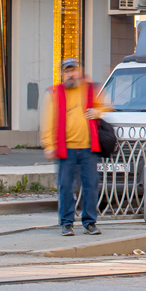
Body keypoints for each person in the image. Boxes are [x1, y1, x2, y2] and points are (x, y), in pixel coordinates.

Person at [41, 59, 112, 236]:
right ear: (63, 74)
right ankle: (66, 222)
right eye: (67, 71)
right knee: (65, 185)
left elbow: (109, 107)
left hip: (88, 147)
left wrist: (98, 112)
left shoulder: (91, 89)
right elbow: (47, 121)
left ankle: (90, 222)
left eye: (74, 71)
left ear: (79, 72)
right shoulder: (54, 93)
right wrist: (49, 145)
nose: (71, 74)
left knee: (90, 185)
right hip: (66, 148)